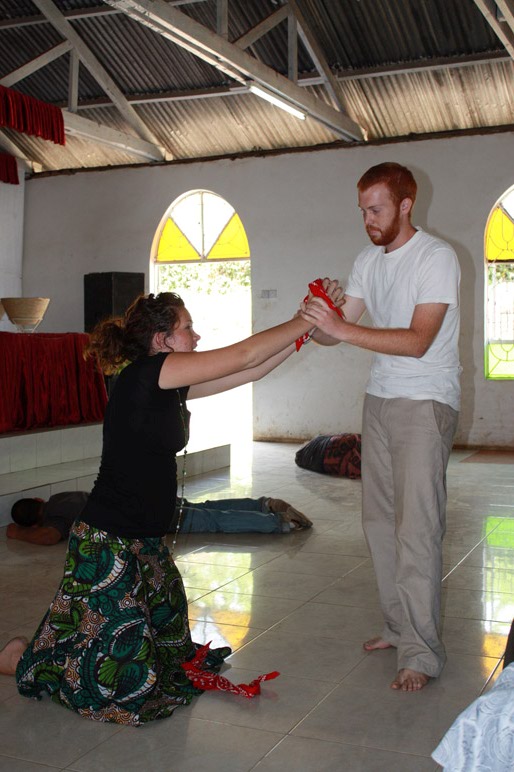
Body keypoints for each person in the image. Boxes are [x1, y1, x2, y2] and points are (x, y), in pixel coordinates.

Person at [0, 290, 318, 725]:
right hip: (108, 544)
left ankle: (28, 652)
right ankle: (18, 660)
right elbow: (243, 354)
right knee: (116, 678)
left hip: (144, 542)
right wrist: (306, 318)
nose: (196, 335)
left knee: (163, 653)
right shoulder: (148, 374)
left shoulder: (166, 381)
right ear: (161, 339)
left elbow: (249, 370)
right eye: (187, 328)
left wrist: (305, 333)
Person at [302, 162, 461, 692]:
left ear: (405, 204)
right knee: (378, 523)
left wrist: (341, 327)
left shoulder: (436, 257)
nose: (368, 220)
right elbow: (334, 332)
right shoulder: (368, 260)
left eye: (376, 209)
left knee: (417, 529)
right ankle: (398, 628)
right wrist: (317, 315)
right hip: (380, 399)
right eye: (363, 210)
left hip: (426, 400)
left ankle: (422, 652)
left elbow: (418, 341)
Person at [6, 491, 312, 545]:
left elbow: (50, 537)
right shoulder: (61, 498)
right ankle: (263, 505)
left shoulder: (56, 517)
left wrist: (18, 534)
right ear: (38, 500)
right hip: (145, 498)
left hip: (146, 517)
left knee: (211, 520)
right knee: (203, 507)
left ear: (35, 521)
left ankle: (280, 522)